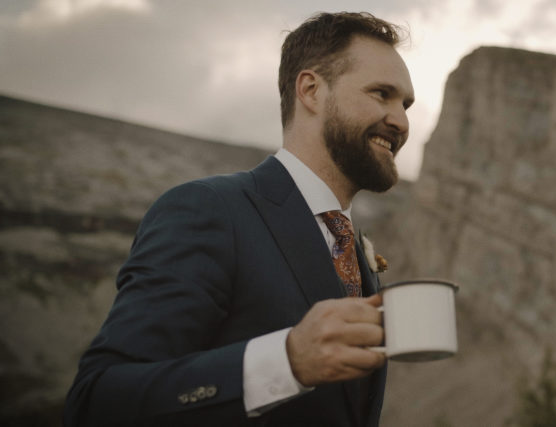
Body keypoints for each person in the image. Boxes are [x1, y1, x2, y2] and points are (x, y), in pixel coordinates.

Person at [63, 11, 414, 426]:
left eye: (406, 104)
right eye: (381, 94)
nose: (402, 121)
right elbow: (96, 401)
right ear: (311, 91)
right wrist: (287, 361)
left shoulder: (353, 248)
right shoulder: (208, 210)